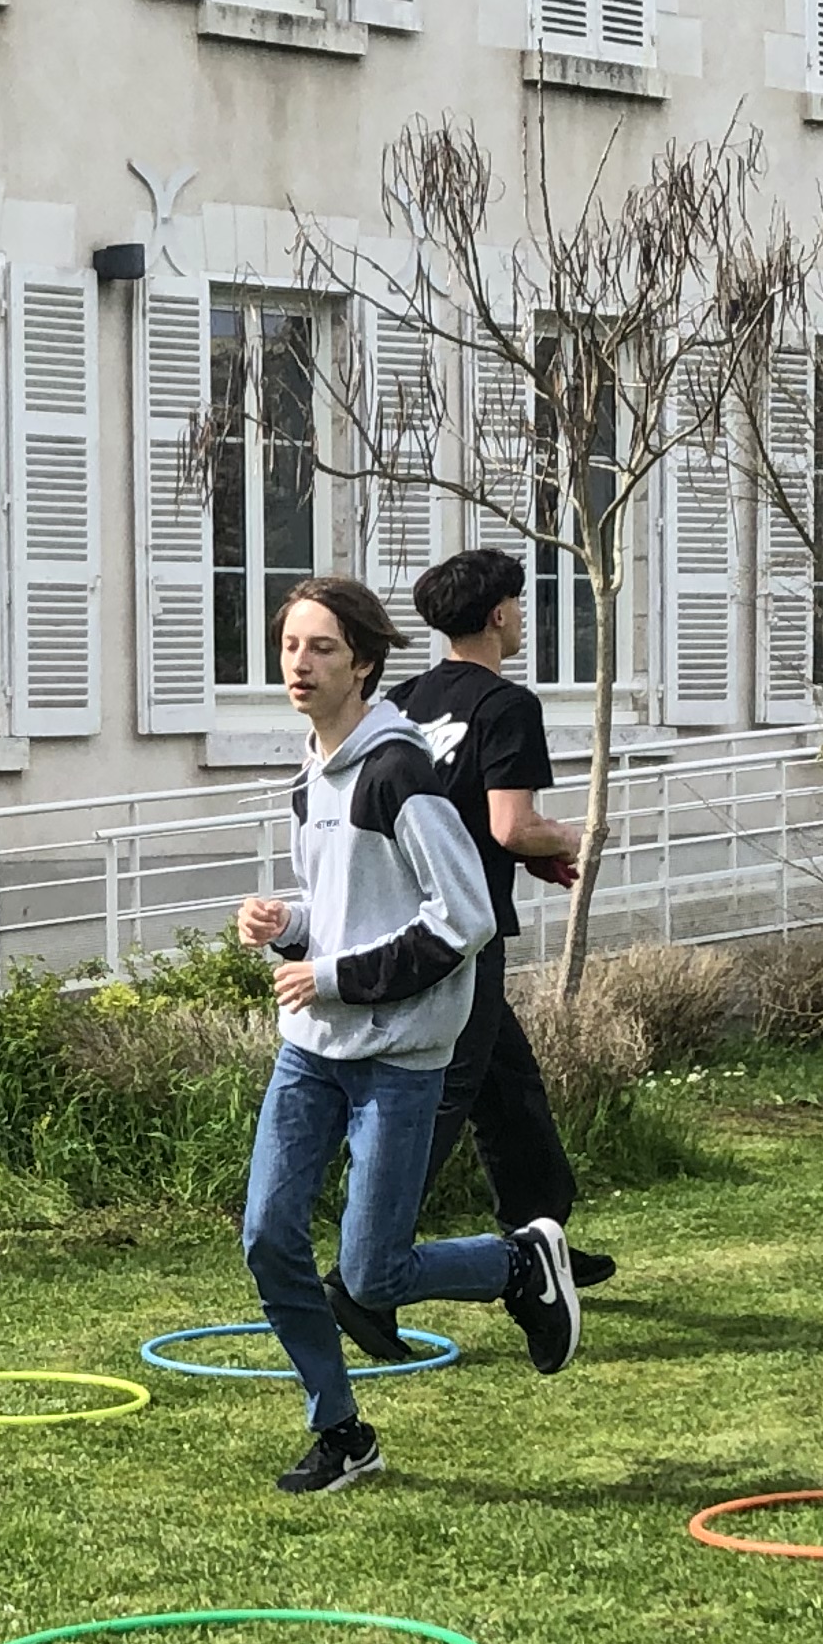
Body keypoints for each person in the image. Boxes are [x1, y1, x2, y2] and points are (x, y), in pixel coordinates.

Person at [232, 577, 583, 1498]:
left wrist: (335, 976)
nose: (300, 664)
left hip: (399, 1055)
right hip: (313, 1048)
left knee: (373, 1272)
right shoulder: (311, 774)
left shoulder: (399, 773)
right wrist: (288, 925)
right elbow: (349, 910)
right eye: (291, 646)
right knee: (267, 1235)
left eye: (322, 648)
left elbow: (464, 917)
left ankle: (519, 1261)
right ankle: (341, 1431)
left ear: (363, 664)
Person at [325, 544, 614, 1364]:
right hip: (460, 934)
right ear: (497, 615)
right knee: (441, 1102)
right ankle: (362, 1274)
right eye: (517, 604)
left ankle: (542, 1232)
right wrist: (571, 838)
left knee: (509, 1090)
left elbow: (431, 811)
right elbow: (510, 824)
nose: (522, 617)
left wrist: (521, 853)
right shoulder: (507, 704)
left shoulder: (405, 701)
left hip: (400, 921)